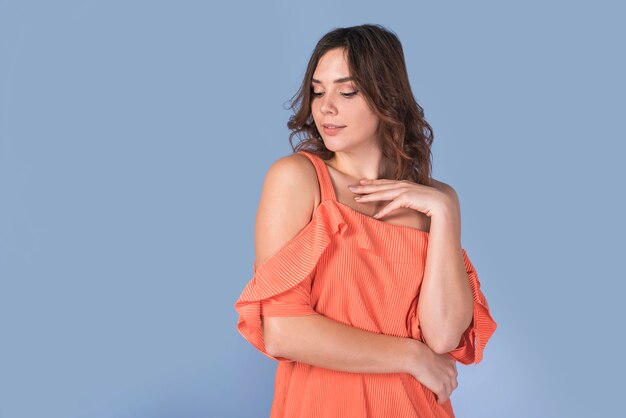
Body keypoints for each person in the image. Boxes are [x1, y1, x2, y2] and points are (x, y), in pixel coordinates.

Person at [234, 23, 497, 418]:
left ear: (386, 96)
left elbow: (443, 335)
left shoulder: (435, 201)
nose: (326, 107)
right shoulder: (297, 179)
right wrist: (412, 356)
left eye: (347, 90)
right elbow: (283, 332)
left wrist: (443, 213)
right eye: (318, 91)